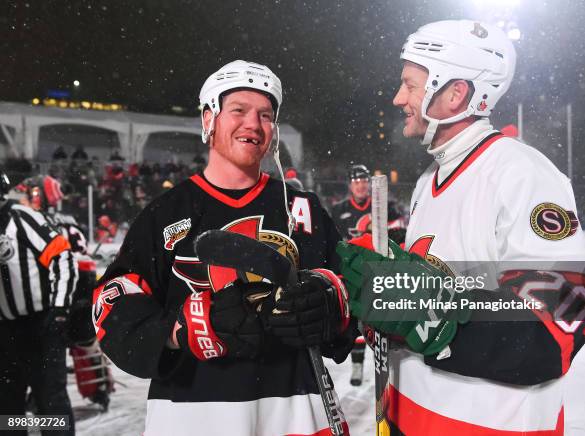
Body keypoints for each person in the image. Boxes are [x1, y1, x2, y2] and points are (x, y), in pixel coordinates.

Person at [337, 20, 585, 435]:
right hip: (414, 419)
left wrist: (433, 313)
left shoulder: (521, 172)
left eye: (410, 84)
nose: (398, 97)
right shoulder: (429, 179)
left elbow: (564, 321)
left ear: (455, 93)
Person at [93, 60, 357, 435]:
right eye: (239, 110)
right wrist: (182, 327)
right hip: (193, 414)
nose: (253, 123)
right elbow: (112, 305)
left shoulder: (303, 209)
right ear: (208, 119)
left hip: (296, 410)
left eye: (265, 115)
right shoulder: (165, 214)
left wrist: (332, 304)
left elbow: (353, 294)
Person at [14, 175, 114, 409]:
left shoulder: (33, 222)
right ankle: (99, 387)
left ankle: (40, 397)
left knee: (40, 357)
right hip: (80, 295)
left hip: (55, 299)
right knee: (85, 345)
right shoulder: (66, 222)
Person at [0, 171, 78, 435]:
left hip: (40, 325)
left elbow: (63, 258)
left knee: (50, 402)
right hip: (5, 332)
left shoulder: (22, 218)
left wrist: (58, 310)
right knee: (7, 409)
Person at [331, 164, 405, 386]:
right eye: (356, 181)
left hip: (380, 270)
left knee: (383, 321)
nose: (360, 185)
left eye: (363, 181)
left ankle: (387, 366)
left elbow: (399, 236)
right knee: (356, 319)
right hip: (354, 271)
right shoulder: (340, 209)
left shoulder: (385, 207)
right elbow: (335, 243)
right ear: (350, 185)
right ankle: (357, 363)